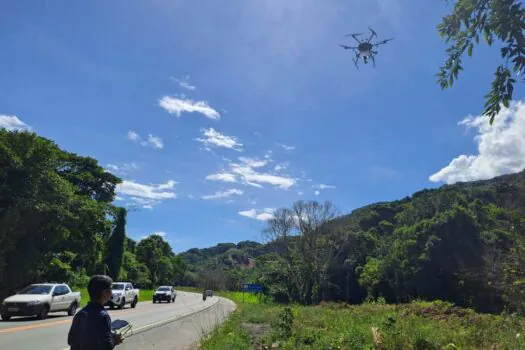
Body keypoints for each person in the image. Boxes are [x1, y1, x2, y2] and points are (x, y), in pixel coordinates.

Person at [67, 275, 123, 350]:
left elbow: (70, 340)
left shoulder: (80, 314)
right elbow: (106, 346)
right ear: (104, 293)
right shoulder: (103, 316)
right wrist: (115, 340)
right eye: (111, 288)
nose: (112, 292)